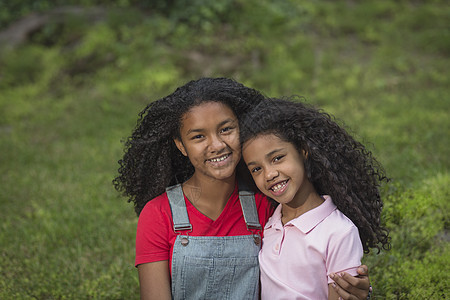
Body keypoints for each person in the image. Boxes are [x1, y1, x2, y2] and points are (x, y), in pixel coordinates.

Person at [113, 78, 372, 300]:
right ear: (180, 146)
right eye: (198, 136)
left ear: (243, 129)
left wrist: (357, 289)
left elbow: (303, 270)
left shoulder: (268, 206)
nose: (216, 145)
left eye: (226, 129)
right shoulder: (158, 214)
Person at [239, 98, 391, 299]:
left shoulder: (339, 232)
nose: (269, 174)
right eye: (256, 169)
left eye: (277, 158)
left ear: (303, 152)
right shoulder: (268, 223)